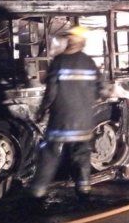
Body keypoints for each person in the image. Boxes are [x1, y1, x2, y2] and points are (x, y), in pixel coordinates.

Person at [30, 26, 102, 199]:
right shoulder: (89, 63)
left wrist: (41, 110)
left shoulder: (59, 61)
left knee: (50, 153)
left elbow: (51, 93)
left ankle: (38, 190)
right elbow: (101, 90)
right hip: (83, 120)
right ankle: (84, 190)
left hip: (60, 119)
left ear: (71, 41)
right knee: (82, 154)